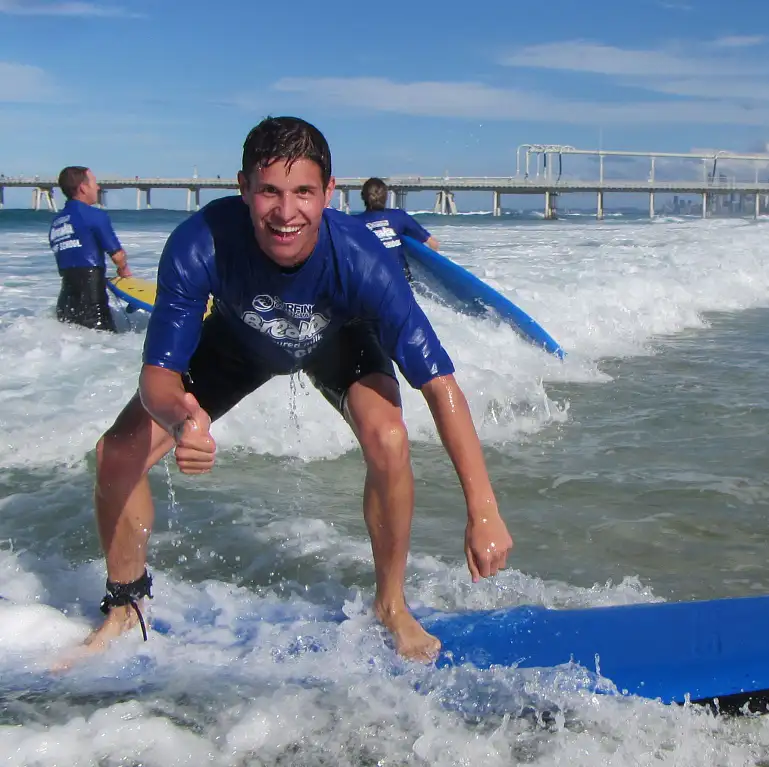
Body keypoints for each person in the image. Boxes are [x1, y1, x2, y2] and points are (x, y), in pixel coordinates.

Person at [79, 116, 513, 664]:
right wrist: (180, 418)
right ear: (244, 189)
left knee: (390, 440)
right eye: (269, 192)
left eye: (304, 191)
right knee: (115, 454)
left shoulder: (364, 260)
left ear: (330, 193)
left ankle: (392, 605)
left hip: (339, 338)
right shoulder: (198, 244)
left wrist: (483, 507)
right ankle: (125, 606)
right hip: (239, 343)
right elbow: (157, 377)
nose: (287, 214)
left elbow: (439, 384)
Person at [48, 166, 132, 331]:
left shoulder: (57, 222)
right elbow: (117, 256)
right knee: (104, 345)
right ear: (83, 188)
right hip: (92, 299)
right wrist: (124, 270)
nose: (98, 187)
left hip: (65, 300)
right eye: (94, 183)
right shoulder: (95, 215)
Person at [352, 177, 439, 281]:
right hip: (402, 281)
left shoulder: (352, 223)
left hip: (372, 283)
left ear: (362, 197)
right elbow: (433, 244)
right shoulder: (399, 216)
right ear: (386, 197)